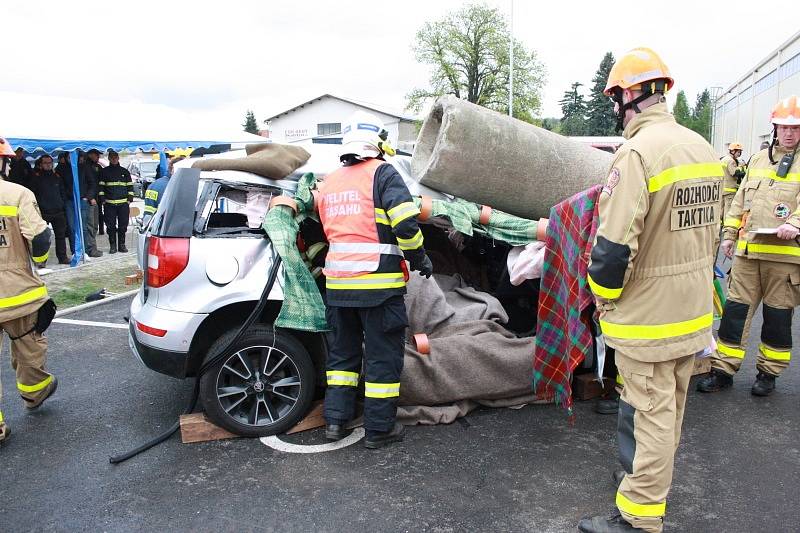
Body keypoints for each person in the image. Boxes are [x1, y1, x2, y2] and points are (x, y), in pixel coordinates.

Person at [580, 48, 722, 533]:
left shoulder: (636, 154)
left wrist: (601, 297)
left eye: (616, 97)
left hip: (649, 318)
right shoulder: (700, 147)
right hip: (692, 311)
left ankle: (639, 517)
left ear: (632, 95)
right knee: (670, 411)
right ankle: (645, 486)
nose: (615, 109)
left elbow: (614, 247)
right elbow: (712, 232)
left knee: (652, 414)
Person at [316, 111, 432, 450]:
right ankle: (379, 430)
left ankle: (335, 422)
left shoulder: (331, 181)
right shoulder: (383, 174)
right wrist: (419, 257)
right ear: (380, 145)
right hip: (378, 287)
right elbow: (406, 225)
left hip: (338, 286)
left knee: (342, 359)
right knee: (382, 359)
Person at [697, 95, 800, 397]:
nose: (789, 133)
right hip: (748, 253)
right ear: (775, 128)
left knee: (778, 319)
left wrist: (794, 223)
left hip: (785, 259)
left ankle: (768, 373)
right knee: (735, 314)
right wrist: (729, 235)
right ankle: (723, 370)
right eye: (784, 128)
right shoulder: (757, 160)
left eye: (795, 128)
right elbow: (739, 201)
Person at [0, 136, 58, 443]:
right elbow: (39, 238)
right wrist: (37, 263)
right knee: (28, 347)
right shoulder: (16, 194)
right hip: (16, 295)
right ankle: (35, 395)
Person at [29, 154, 69, 264]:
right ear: (41, 165)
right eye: (45, 163)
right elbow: (32, 194)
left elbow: (62, 192)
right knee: (42, 237)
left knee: (60, 236)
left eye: (50, 163)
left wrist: (62, 204)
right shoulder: (36, 178)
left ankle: (62, 257)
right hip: (43, 213)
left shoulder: (57, 177)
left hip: (58, 211)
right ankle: (42, 260)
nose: (48, 165)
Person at [98, 150, 133, 253]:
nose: (114, 159)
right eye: (112, 157)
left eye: (115, 157)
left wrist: (129, 200)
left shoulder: (124, 172)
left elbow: (130, 187)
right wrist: (103, 200)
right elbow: (101, 187)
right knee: (110, 226)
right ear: (109, 158)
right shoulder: (104, 172)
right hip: (109, 204)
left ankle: (122, 245)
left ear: (118, 158)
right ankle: (112, 246)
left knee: (123, 225)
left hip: (123, 204)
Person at [143, 155, 184, 223]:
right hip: (164, 227)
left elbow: (149, 211)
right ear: (174, 170)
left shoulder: (153, 185)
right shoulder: (171, 186)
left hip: (149, 225)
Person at [79, 149, 103, 257]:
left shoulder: (95, 166)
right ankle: (91, 249)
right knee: (90, 226)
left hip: (94, 199)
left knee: (93, 226)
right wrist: (90, 197)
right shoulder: (86, 167)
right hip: (89, 200)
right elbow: (90, 184)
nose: (98, 157)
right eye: (96, 154)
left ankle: (92, 248)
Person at [55, 152, 76, 257]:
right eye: (69, 157)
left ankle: (83, 249)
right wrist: (65, 198)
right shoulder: (61, 169)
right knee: (71, 227)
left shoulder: (78, 167)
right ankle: (74, 250)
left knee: (83, 227)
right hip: (68, 200)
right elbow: (62, 186)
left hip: (80, 199)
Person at [721, 142, 746, 218]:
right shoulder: (731, 161)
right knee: (728, 211)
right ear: (732, 151)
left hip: (722, 189)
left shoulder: (724, 159)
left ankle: (719, 227)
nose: (739, 154)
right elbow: (734, 173)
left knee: (721, 211)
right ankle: (726, 228)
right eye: (738, 152)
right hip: (730, 190)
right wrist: (742, 170)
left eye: (740, 152)